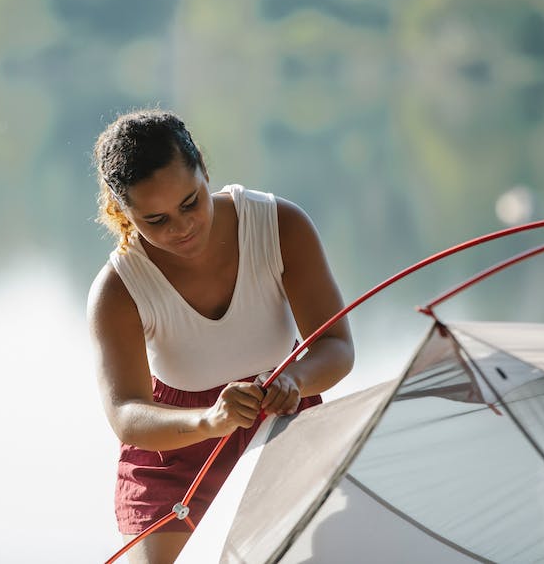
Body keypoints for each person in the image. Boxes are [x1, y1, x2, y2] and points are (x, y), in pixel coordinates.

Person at [87, 109, 355, 564]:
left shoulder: (279, 225)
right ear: (122, 211)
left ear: (205, 171)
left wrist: (296, 382)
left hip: (282, 428)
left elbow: (337, 348)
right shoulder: (117, 290)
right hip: (175, 451)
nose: (181, 227)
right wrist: (211, 421)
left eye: (191, 202)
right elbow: (126, 414)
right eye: (155, 220)